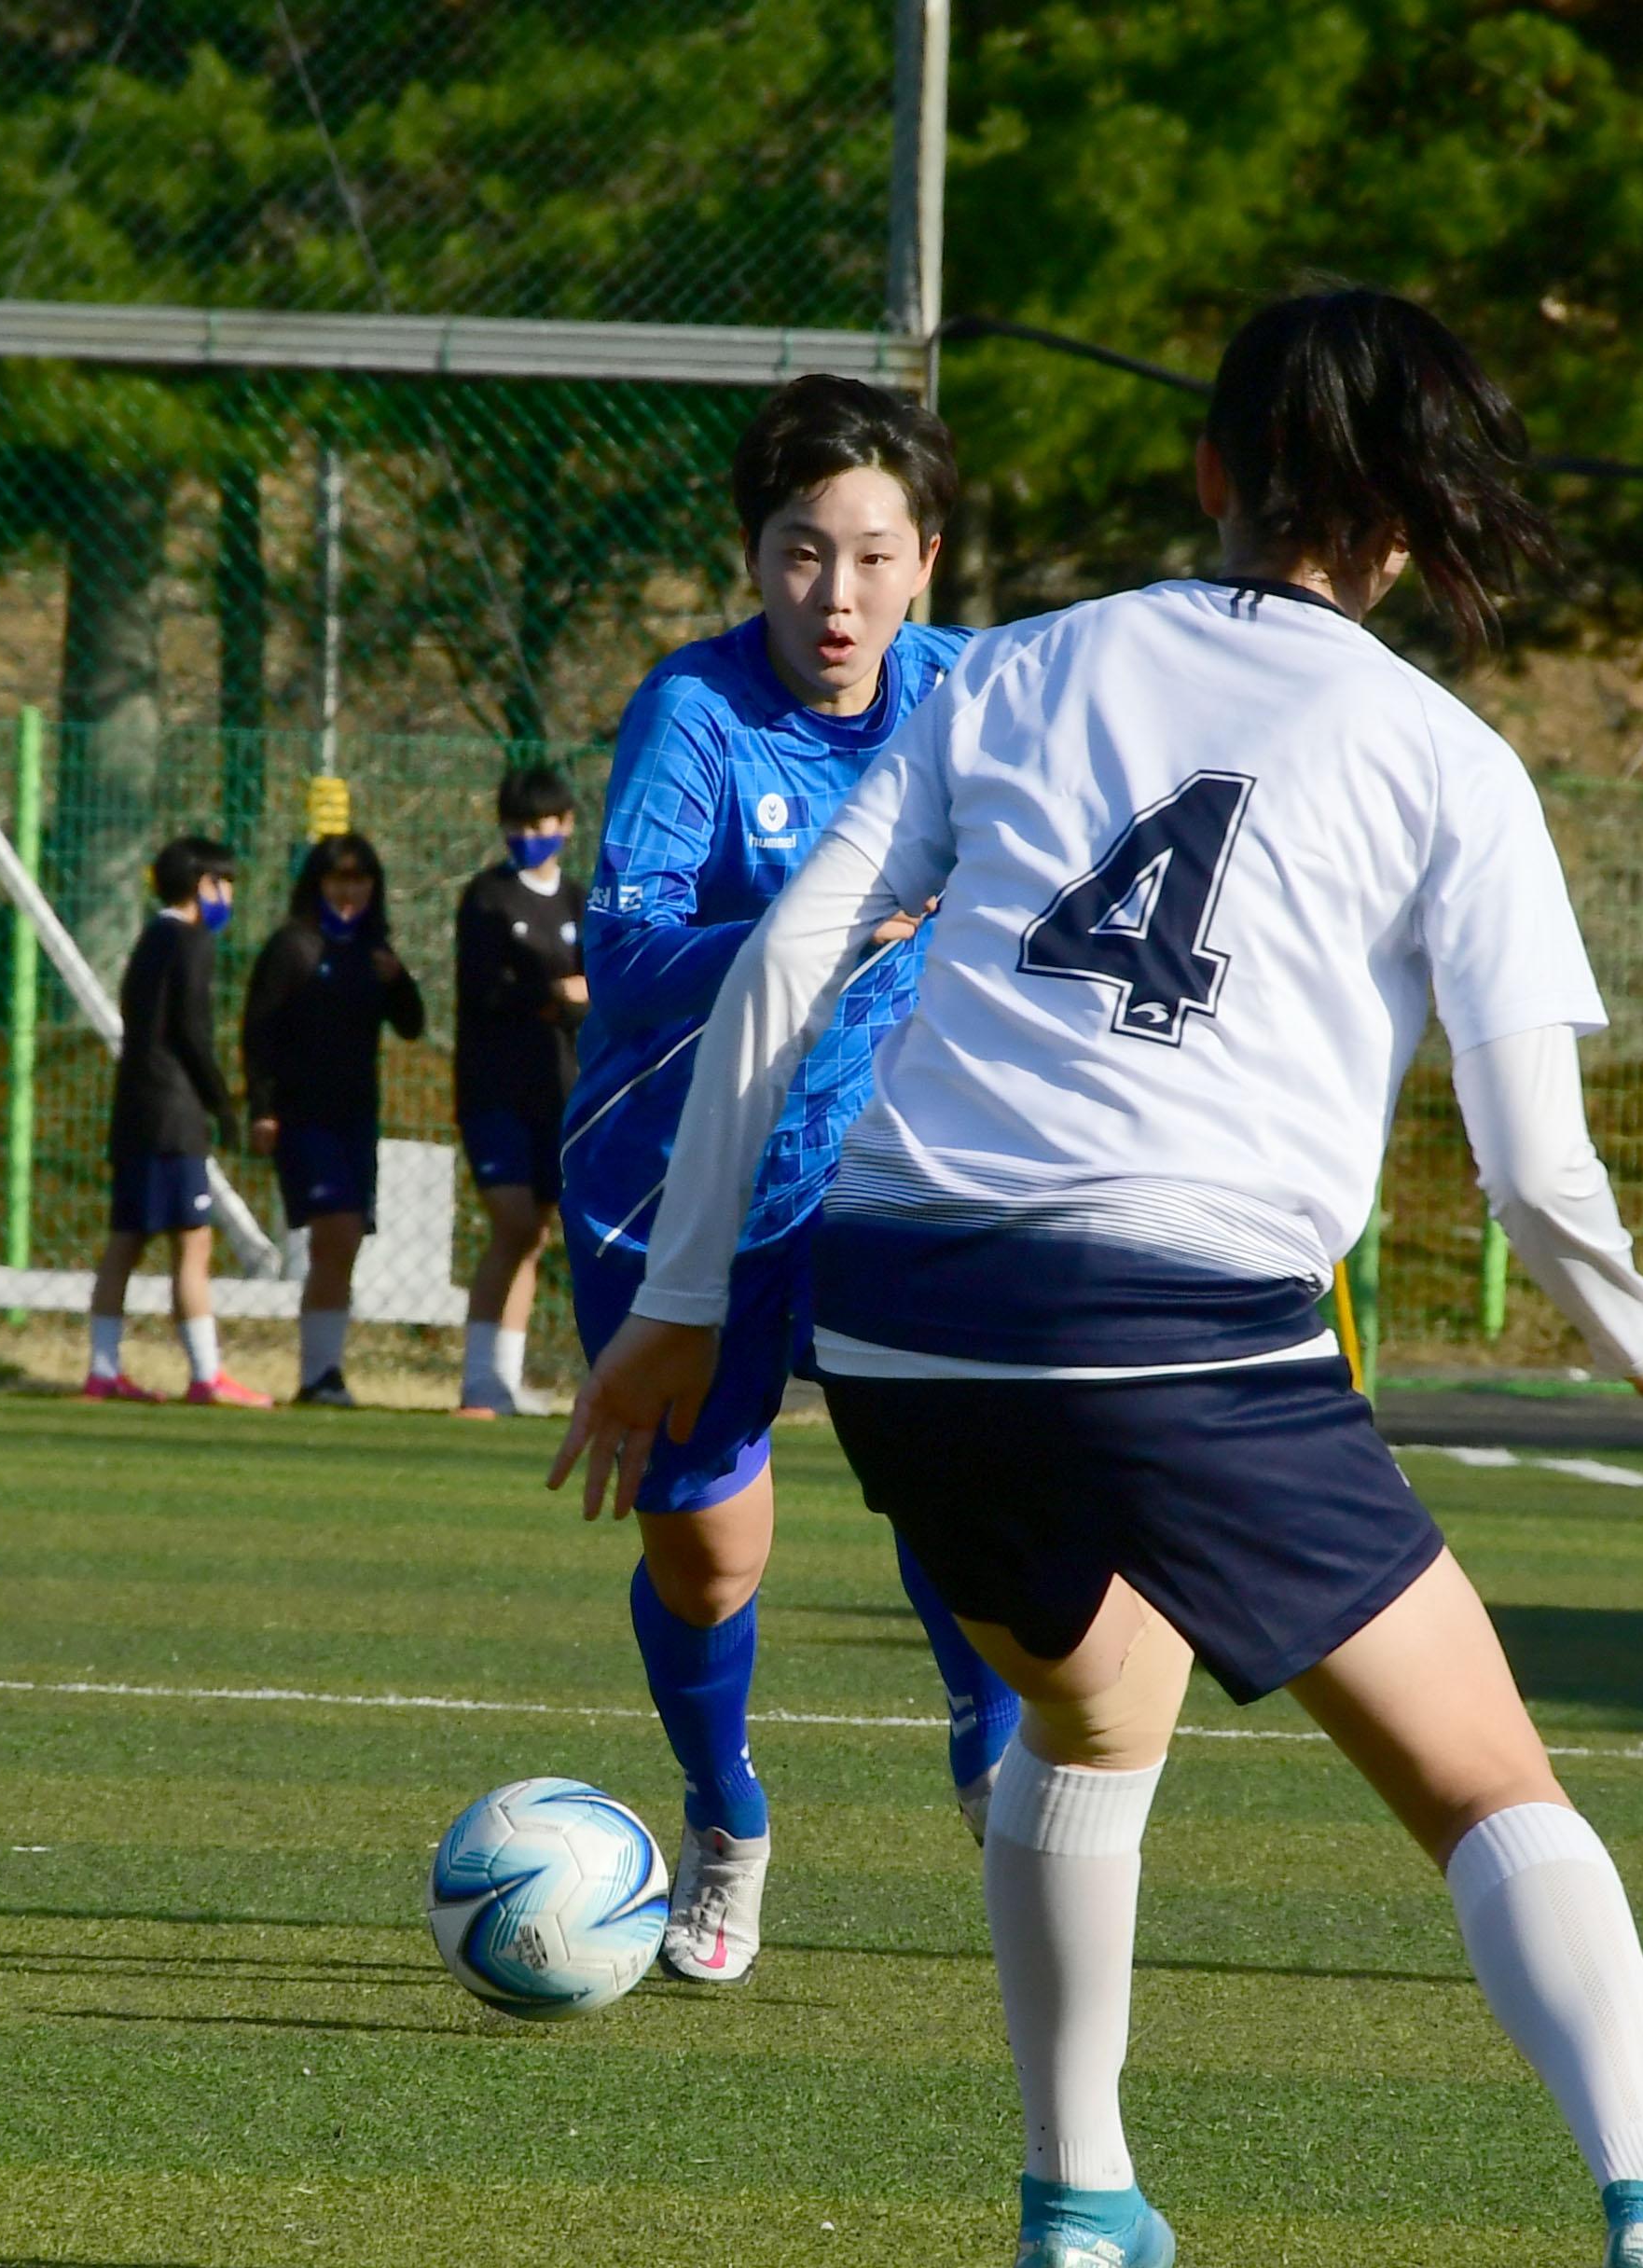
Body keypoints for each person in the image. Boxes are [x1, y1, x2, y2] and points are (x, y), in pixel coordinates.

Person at [557, 289, 1643, 2268]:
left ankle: (1082, 2197)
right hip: (1184, 1321)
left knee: (1101, 1712)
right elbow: (1531, 1165)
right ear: (1414, 521)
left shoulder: (1016, 668)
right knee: (1483, 1779)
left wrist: (685, 1301)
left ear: (1211, 472)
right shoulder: (1450, 759)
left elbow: (788, 960)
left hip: (904, 1320)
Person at [560, 372, 1020, 1988]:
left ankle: (997, 1743)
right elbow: (618, 957)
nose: (838, 595)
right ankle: (725, 1813)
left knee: (959, 1485)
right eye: (801, 552)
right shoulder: (693, 714)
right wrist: (805, 940)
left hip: (898, 1170)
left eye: (876, 556)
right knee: (707, 1554)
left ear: (931, 557)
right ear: (751, 555)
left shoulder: (978, 696)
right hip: (680, 1184)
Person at [83, 835, 274, 1408]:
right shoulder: (192, 942)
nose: (229, 898)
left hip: (135, 1109)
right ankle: (206, 1375)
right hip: (173, 1114)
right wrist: (222, 1102)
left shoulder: (149, 939)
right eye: (225, 885)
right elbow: (191, 1032)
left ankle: (102, 1369)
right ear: (203, 887)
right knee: (193, 1243)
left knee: (126, 1240)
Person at [242, 832, 423, 1407]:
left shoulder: (374, 951)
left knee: (344, 1245)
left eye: (360, 880)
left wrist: (398, 981)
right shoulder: (292, 947)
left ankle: (325, 1371)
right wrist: (263, 1108)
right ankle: (319, 1372)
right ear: (316, 885)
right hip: (304, 1115)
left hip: (355, 1117)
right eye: (338, 879)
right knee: (334, 1233)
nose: (349, 892)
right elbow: (259, 1033)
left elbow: (412, 1024)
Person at [452, 765, 587, 1418]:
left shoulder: (581, 904)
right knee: (511, 1223)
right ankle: (479, 1382)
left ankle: (502, 1381)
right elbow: (483, 992)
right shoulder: (486, 898)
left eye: (540, 825)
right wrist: (555, 995)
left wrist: (580, 1003)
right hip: (493, 1089)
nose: (527, 837)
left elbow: (609, 992)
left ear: (565, 826)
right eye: (516, 826)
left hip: (560, 1091)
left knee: (536, 1234)